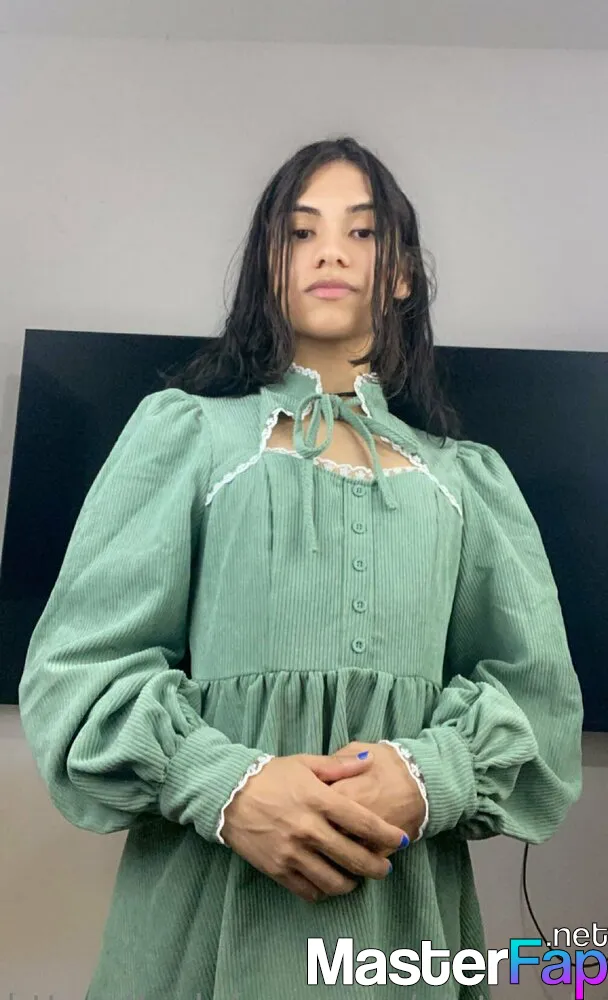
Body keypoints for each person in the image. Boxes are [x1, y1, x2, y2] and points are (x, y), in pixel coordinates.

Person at [18, 136, 584, 1000]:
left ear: (402, 274)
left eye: (362, 232)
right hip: (204, 924)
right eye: (301, 232)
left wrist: (428, 779)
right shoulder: (188, 437)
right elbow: (77, 671)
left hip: (401, 931)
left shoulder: (467, 481)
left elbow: (538, 702)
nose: (330, 251)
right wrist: (228, 788)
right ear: (269, 265)